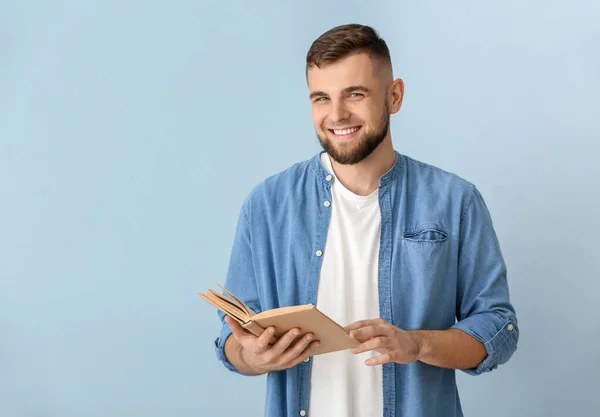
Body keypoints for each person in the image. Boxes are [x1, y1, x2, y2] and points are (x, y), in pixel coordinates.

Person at [212, 23, 519, 417]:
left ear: (394, 96)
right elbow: (232, 340)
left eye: (354, 94)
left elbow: (499, 329)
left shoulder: (455, 201)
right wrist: (253, 357)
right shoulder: (267, 205)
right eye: (321, 98)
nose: (336, 115)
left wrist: (417, 344)